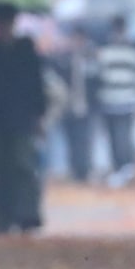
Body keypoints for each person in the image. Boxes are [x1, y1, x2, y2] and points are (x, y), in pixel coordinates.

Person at [0, 3, 47, 235]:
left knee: (23, 165)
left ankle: (27, 214)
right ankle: (3, 216)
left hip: (21, 118)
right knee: (0, 169)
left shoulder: (26, 50)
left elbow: (36, 85)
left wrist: (38, 114)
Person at [96, 15, 135, 187]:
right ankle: (125, 168)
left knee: (116, 136)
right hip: (126, 100)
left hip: (110, 100)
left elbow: (98, 76)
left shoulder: (103, 53)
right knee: (123, 135)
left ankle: (122, 168)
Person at [55, 26, 98, 182]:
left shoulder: (90, 58)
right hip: (68, 106)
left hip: (86, 106)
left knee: (85, 139)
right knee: (71, 139)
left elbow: (95, 82)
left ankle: (84, 169)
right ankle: (74, 169)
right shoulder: (63, 58)